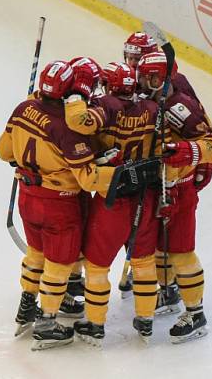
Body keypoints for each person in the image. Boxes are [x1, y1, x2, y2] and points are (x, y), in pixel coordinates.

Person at [0, 60, 158, 350]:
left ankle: (27, 306)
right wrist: (122, 172)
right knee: (58, 264)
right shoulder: (68, 129)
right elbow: (87, 180)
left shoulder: (23, 107)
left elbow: (4, 151)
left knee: (36, 254)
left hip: (27, 197)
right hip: (60, 204)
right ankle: (46, 324)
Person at [63, 60, 162, 345]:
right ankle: (146, 319)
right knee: (143, 261)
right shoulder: (152, 109)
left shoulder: (105, 107)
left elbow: (78, 122)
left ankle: (94, 324)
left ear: (109, 85)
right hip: (143, 195)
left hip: (112, 199)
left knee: (96, 266)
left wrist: (76, 97)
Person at [137, 48, 212, 344]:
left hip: (179, 190)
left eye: (151, 77)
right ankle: (168, 292)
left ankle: (196, 313)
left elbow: (211, 144)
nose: (144, 82)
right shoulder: (144, 99)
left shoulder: (181, 107)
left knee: (181, 252)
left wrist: (187, 152)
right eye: (142, 76)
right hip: (153, 187)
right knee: (160, 248)